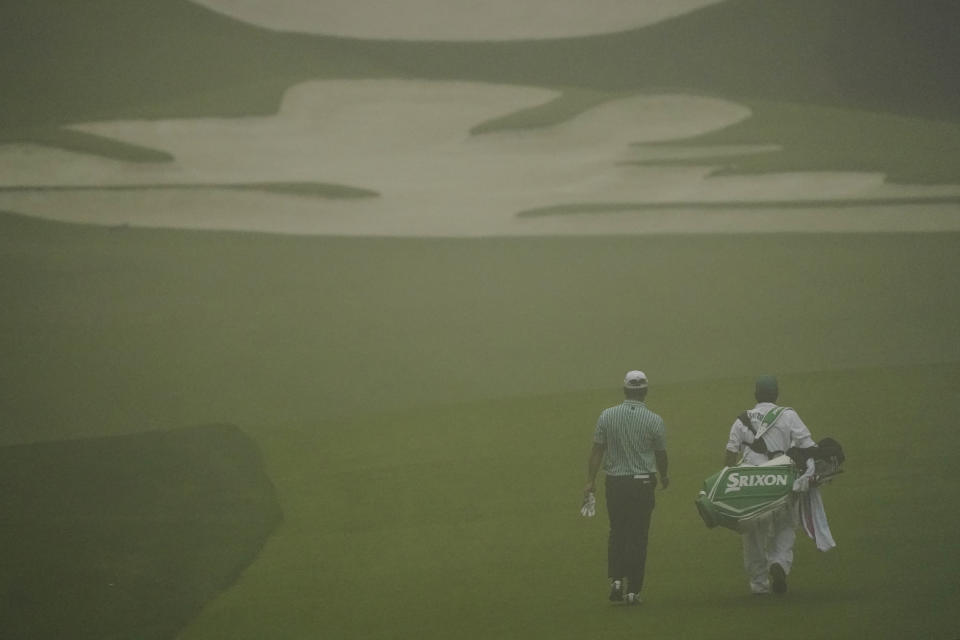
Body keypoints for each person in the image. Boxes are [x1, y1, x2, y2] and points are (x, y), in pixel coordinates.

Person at [724, 375, 816, 595]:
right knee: (785, 526)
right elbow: (808, 445)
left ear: (755, 395)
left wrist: (728, 480)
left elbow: (730, 453)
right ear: (776, 395)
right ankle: (780, 563)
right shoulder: (788, 416)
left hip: (751, 485)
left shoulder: (741, 419)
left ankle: (759, 584)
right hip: (782, 479)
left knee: (753, 534)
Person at [584, 370, 669, 605]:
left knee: (617, 532)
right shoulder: (654, 420)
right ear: (645, 391)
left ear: (625, 390)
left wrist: (590, 481)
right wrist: (665, 477)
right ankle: (633, 591)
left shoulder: (607, 416)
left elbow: (597, 450)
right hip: (642, 483)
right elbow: (661, 455)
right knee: (638, 537)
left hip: (615, 483)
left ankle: (616, 582)